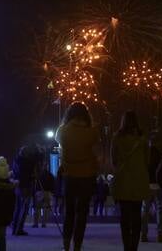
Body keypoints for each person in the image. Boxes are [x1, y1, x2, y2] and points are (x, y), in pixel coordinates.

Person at [55, 102, 100, 251]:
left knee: (69, 211)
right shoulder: (92, 132)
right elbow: (96, 151)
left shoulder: (63, 131)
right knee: (82, 213)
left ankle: (66, 244)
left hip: (70, 174)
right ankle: (77, 246)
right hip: (87, 175)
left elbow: (59, 144)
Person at [110, 111, 150, 251]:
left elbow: (113, 159)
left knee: (124, 217)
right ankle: (134, 246)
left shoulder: (117, 138)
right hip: (139, 180)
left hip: (122, 181)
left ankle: (127, 246)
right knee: (136, 215)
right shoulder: (142, 139)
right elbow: (147, 160)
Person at [141, 137, 162, 243]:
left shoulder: (145, 155)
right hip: (158, 185)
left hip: (147, 185)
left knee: (145, 210)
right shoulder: (160, 155)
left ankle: (143, 233)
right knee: (160, 210)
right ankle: (160, 234)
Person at [11, 145, 39, 236]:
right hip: (26, 185)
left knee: (18, 207)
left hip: (18, 185)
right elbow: (29, 173)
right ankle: (19, 228)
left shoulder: (16, 160)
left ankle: (15, 227)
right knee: (23, 208)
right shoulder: (28, 162)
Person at [33, 163, 55, 228]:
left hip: (39, 192)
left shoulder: (39, 175)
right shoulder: (50, 175)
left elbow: (36, 185)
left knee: (37, 208)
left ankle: (36, 223)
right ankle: (43, 223)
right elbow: (53, 185)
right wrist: (52, 193)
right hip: (48, 193)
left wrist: (35, 192)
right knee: (46, 209)